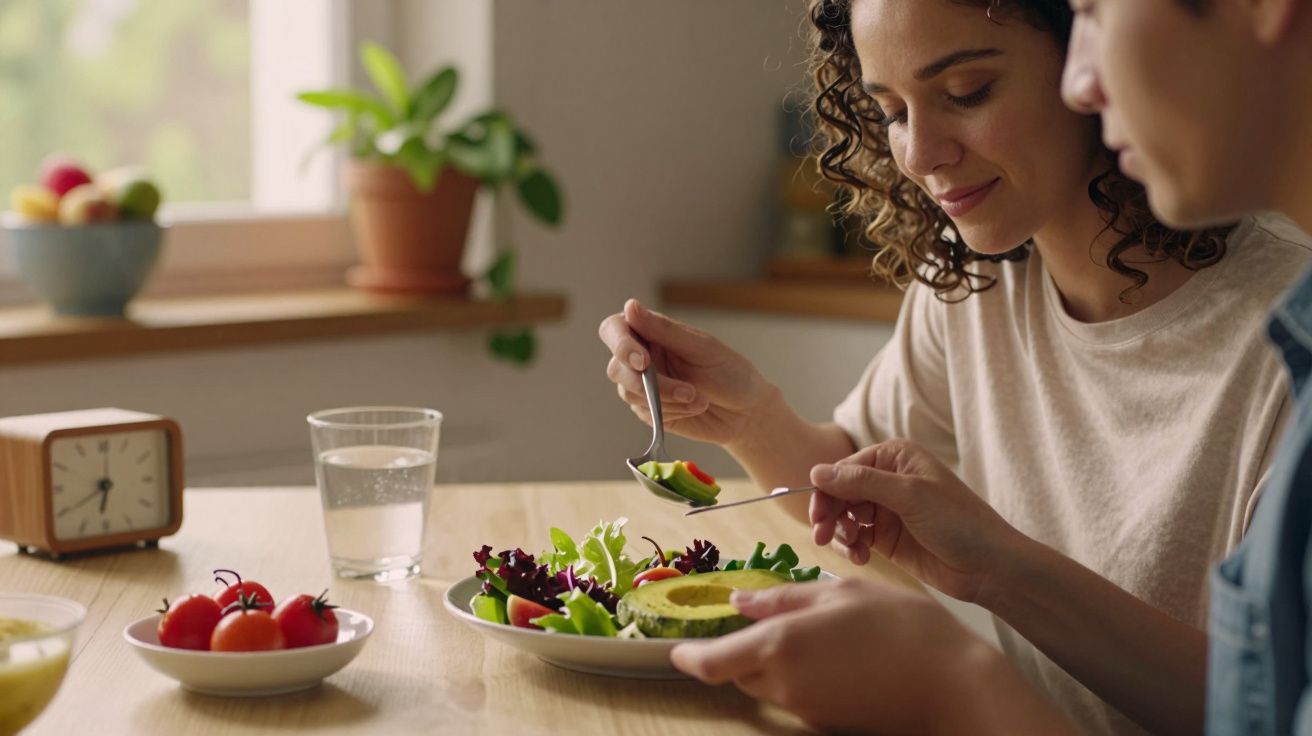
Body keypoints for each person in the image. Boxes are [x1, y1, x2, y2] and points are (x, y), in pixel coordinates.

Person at [600, 0, 1312, 733]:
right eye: (892, 111)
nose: (918, 154)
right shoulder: (975, 282)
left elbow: (1265, 707)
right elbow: (854, 481)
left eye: (968, 92)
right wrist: (748, 417)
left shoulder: (1288, 338)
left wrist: (982, 610)